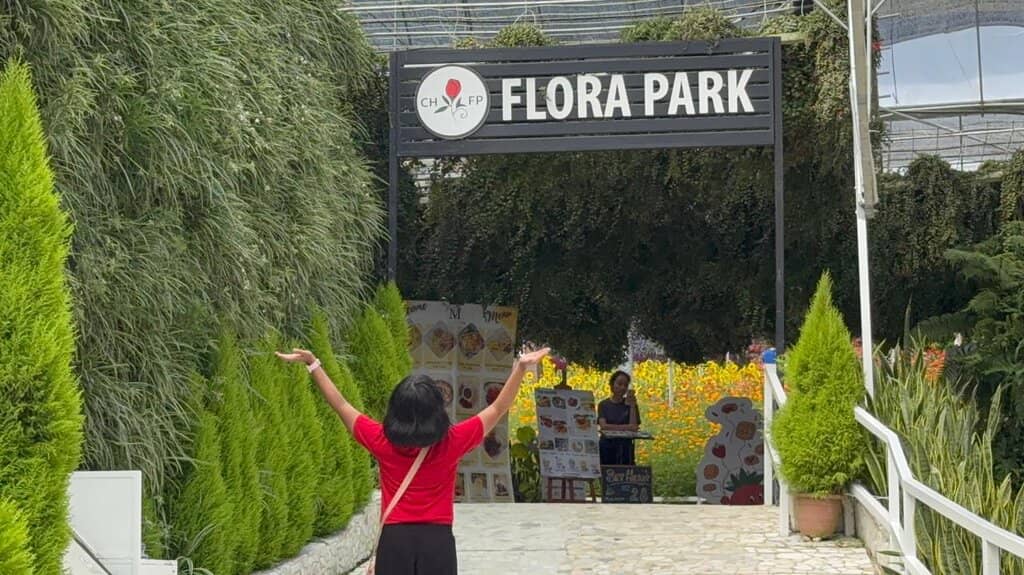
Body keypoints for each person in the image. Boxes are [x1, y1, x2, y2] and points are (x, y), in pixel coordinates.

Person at [276, 345, 549, 575]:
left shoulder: (381, 440)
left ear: (396, 410)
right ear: (437, 411)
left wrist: (314, 364)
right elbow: (498, 407)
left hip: (394, 540)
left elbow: (341, 405)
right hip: (438, 540)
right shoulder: (453, 441)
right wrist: (520, 368)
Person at [597, 370, 641, 466]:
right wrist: (627, 427)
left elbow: (634, 427)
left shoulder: (631, 405)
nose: (622, 388)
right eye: (619, 384)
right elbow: (603, 426)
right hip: (607, 446)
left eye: (625, 385)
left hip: (625, 448)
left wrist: (632, 406)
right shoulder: (603, 404)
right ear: (612, 384)